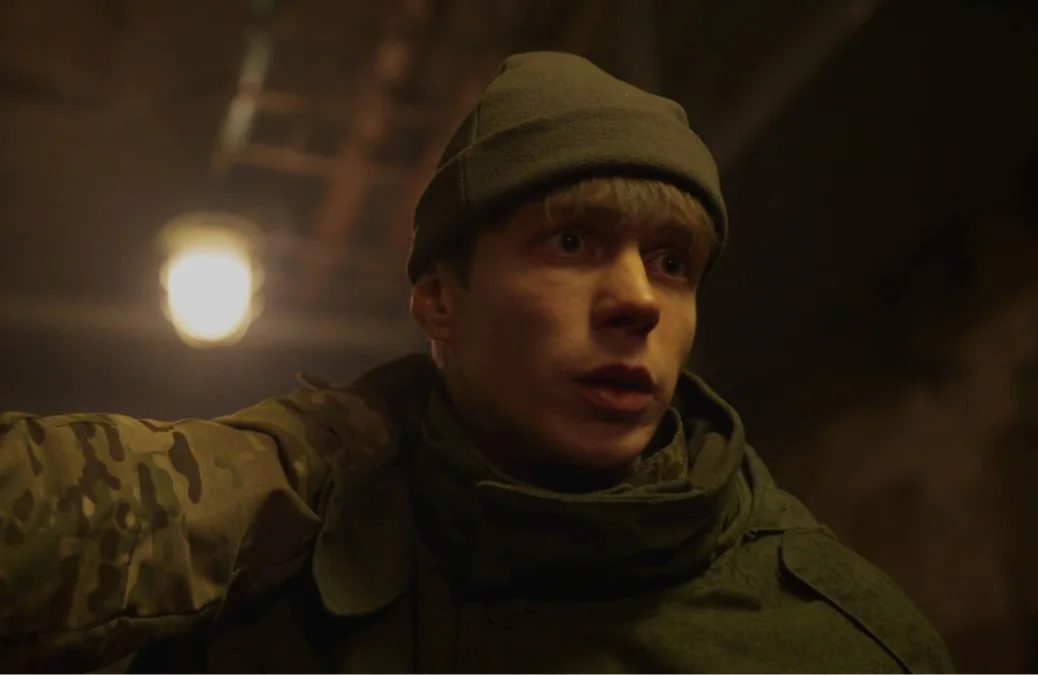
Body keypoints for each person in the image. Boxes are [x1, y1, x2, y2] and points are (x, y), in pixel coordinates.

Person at [0, 51, 953, 673]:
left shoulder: (840, 643)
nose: (638, 299)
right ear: (438, 300)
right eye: (572, 241)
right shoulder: (270, 577)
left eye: (674, 262)